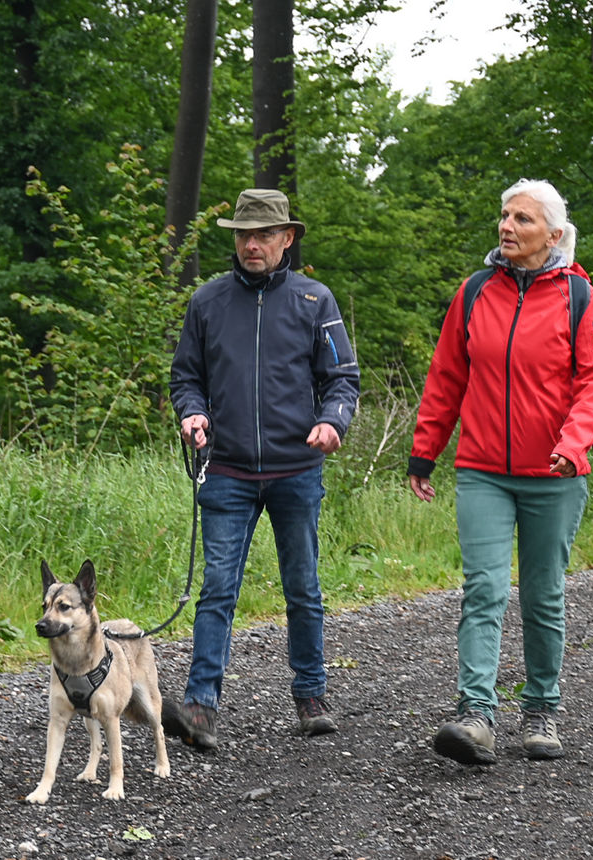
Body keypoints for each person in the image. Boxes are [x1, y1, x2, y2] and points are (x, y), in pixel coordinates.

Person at [408, 178, 593, 765]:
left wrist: (574, 445)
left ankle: (542, 710)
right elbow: (446, 376)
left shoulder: (578, 298)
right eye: (504, 215)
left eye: (522, 219)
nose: (507, 226)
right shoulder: (474, 292)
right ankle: (475, 715)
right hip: (482, 470)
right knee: (484, 589)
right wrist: (425, 452)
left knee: (543, 596)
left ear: (553, 234)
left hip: (554, 473)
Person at [167, 188, 359, 749]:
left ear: (287, 238)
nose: (252, 244)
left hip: (297, 467)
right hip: (224, 469)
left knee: (303, 586)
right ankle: (200, 706)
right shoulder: (206, 302)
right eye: (243, 235)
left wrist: (333, 423)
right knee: (217, 588)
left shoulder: (314, 300)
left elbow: (342, 378)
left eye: (263, 235)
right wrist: (193, 412)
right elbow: (186, 378)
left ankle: (312, 696)